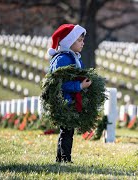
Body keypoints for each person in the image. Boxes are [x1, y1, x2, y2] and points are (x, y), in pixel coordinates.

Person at [47, 24, 92, 163]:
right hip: (64, 101)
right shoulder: (63, 59)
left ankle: (62, 158)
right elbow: (61, 83)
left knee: (68, 131)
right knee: (66, 131)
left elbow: (79, 74)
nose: (82, 43)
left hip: (71, 100)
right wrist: (80, 85)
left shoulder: (74, 58)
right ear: (69, 41)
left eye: (83, 40)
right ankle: (64, 159)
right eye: (79, 40)